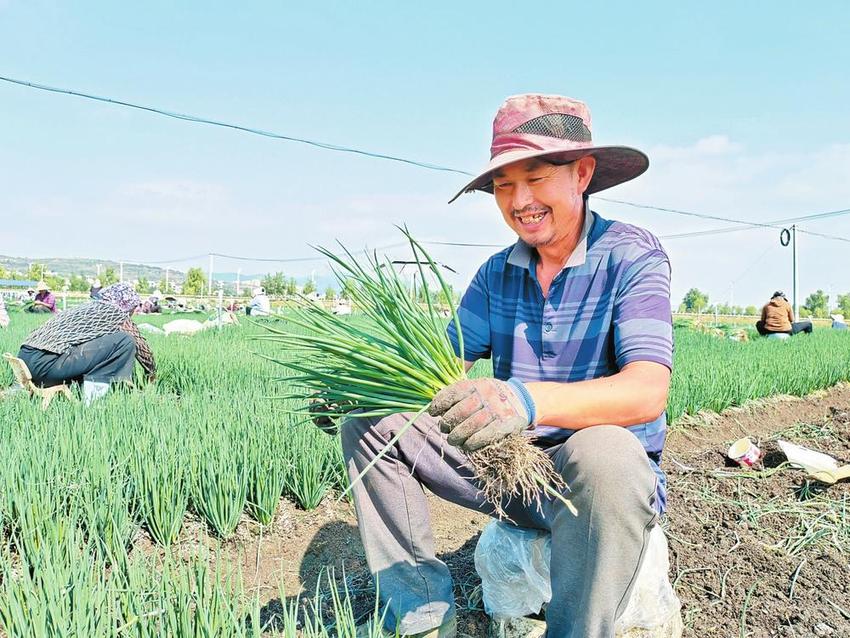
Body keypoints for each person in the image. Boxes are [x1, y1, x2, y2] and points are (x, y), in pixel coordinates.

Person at [340, 94, 674, 637]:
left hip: (594, 489)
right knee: (373, 422)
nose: (519, 200)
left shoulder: (631, 256)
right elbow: (438, 365)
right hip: (509, 474)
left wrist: (522, 399)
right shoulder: (497, 274)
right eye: (503, 185)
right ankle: (422, 614)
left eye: (535, 178)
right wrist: (364, 384)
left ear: (582, 173)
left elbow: (646, 390)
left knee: (605, 450)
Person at [17, 282, 156, 404]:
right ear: (126, 304)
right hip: (45, 365)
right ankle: (92, 402)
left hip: (25, 360)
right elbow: (142, 349)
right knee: (124, 341)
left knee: (101, 345)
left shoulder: (87, 308)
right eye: (132, 309)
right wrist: (151, 374)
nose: (132, 313)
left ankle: (82, 391)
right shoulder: (116, 313)